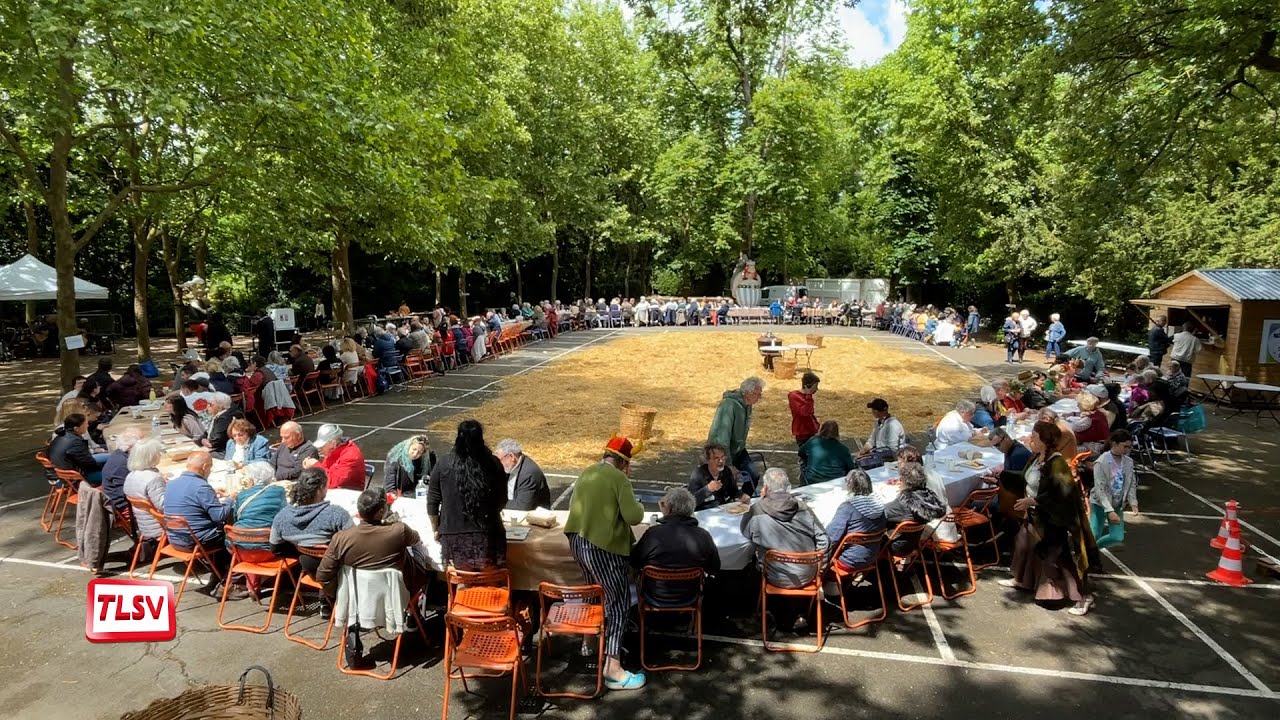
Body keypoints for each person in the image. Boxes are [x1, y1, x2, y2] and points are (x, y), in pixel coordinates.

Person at [563, 436, 647, 690]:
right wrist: (639, 505)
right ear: (625, 463)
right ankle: (613, 668)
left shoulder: (587, 473)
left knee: (593, 593)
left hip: (578, 541)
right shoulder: (619, 478)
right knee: (619, 603)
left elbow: (573, 506)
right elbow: (634, 516)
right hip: (602, 548)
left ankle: (589, 642)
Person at [317, 489, 429, 671]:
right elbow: (416, 539)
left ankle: (353, 629)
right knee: (416, 554)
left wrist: (338, 594)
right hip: (396, 596)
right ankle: (415, 613)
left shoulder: (341, 538)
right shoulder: (398, 530)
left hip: (356, 598)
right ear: (380, 511)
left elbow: (322, 575)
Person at [1001, 421, 1098, 615]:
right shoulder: (1037, 458)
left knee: (1059, 558)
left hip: (1054, 519)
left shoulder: (1057, 463)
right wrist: (1000, 477)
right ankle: (1022, 580)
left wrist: (1034, 501)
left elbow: (1063, 494)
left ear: (1044, 441)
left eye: (1034, 436)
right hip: (1035, 515)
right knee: (1023, 544)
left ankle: (1084, 595)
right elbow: (1026, 477)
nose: (1030, 439)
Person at [740, 467, 829, 632]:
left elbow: (746, 532)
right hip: (807, 573)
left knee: (751, 563)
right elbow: (824, 539)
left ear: (765, 488)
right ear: (788, 487)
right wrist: (820, 569)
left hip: (774, 574)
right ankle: (798, 612)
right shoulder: (803, 508)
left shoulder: (757, 510)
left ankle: (766, 610)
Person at [427, 420, 508, 570]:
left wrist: (436, 528)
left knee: (462, 579)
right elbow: (502, 498)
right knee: (489, 578)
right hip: (488, 532)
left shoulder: (444, 463)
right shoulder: (493, 463)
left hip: (453, 533)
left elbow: (432, 501)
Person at [630, 486, 719, 608]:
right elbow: (714, 566)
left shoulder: (653, 534)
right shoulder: (703, 535)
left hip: (654, 594)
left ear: (669, 508)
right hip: (690, 595)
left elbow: (634, 560)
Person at [163, 451, 235, 589]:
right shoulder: (201, 487)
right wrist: (230, 499)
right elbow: (219, 516)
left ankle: (218, 573)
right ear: (204, 467)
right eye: (210, 467)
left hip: (175, 537)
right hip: (196, 541)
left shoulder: (172, 484)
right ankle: (227, 578)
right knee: (231, 532)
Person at [227, 462, 289, 596]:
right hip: (268, 550)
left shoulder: (242, 495)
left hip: (239, 550)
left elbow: (237, 517)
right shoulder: (279, 492)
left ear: (251, 478)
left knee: (250, 540)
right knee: (281, 538)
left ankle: (251, 586)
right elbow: (285, 516)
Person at [708, 377, 764, 494]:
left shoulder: (747, 405)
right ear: (748, 393)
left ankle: (742, 500)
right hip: (722, 452)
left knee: (754, 475)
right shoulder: (729, 406)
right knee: (723, 484)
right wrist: (728, 464)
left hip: (738, 450)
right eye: (758, 394)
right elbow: (721, 437)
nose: (760, 398)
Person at [825, 469, 886, 573]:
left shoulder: (848, 508)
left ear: (849, 486)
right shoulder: (879, 505)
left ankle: (829, 582)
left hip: (848, 560)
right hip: (873, 555)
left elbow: (831, 538)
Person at [882, 463, 946, 554]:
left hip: (895, 545)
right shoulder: (928, 498)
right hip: (915, 542)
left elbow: (881, 513)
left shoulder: (903, 502)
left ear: (903, 481)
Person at [1090, 430, 1139, 549]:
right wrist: (1109, 510)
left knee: (1117, 536)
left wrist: (1133, 502)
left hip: (1117, 502)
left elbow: (1131, 482)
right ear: (1114, 444)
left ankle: (1093, 551)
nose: (1127, 450)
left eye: (1129, 447)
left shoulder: (1128, 461)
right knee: (1094, 534)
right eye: (1125, 446)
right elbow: (1099, 488)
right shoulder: (1101, 462)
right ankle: (1089, 553)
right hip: (1100, 504)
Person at [123, 438, 167, 562]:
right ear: (151, 456)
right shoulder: (153, 478)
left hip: (144, 525)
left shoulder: (131, 475)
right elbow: (164, 506)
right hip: (159, 525)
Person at [304, 424, 367, 490]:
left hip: (349, 493)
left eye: (322, 446)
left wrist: (315, 465)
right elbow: (325, 471)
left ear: (333, 443)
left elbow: (332, 482)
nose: (320, 449)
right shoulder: (332, 451)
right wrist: (311, 468)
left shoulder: (351, 456)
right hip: (335, 490)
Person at [49, 414, 108, 484]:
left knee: (110, 456)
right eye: (85, 424)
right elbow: (89, 464)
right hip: (79, 476)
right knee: (116, 473)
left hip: (66, 471)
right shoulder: (75, 442)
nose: (88, 426)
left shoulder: (61, 435)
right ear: (76, 428)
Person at [687, 442, 749, 509]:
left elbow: (734, 491)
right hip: (703, 513)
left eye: (723, 457)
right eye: (716, 458)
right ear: (708, 460)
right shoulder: (698, 474)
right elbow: (690, 502)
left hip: (722, 511)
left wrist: (742, 496)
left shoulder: (726, 471)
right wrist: (708, 489)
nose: (721, 461)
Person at [495, 438, 550, 511]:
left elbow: (522, 506)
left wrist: (495, 502)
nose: (498, 463)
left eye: (499, 460)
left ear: (512, 457)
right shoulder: (511, 467)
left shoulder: (529, 473)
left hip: (532, 516)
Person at [797, 420, 856, 486]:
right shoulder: (843, 449)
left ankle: (802, 486)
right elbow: (851, 468)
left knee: (803, 463)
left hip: (813, 480)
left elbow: (800, 452)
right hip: (836, 480)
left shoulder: (813, 441)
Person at [100, 427, 142, 513]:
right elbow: (125, 493)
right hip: (122, 505)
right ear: (131, 447)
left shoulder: (119, 454)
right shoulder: (122, 463)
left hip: (117, 497)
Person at [787, 372, 820, 449]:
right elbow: (804, 413)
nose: (817, 389)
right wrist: (808, 396)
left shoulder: (809, 398)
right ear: (808, 386)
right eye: (815, 386)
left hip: (811, 430)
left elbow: (810, 413)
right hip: (802, 432)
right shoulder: (794, 396)